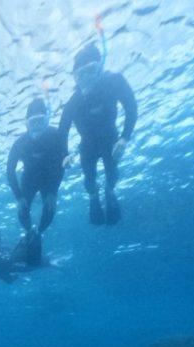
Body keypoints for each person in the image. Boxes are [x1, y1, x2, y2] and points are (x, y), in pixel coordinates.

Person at [58, 43, 137, 225]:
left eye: (91, 70)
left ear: (100, 68)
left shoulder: (114, 82)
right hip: (88, 145)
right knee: (89, 179)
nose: (86, 78)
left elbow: (131, 107)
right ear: (75, 78)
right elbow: (62, 131)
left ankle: (109, 191)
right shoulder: (73, 102)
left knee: (112, 172)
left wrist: (124, 138)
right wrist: (64, 155)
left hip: (111, 140)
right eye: (80, 75)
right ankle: (94, 195)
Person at [6, 97, 65, 267]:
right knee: (23, 209)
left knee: (50, 208)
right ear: (26, 123)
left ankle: (38, 232)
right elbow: (10, 170)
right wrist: (18, 197)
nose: (37, 126)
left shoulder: (56, 135)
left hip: (50, 179)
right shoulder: (20, 143)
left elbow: (62, 164)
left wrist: (53, 192)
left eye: (41, 121)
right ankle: (29, 232)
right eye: (33, 122)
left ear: (47, 120)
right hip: (29, 179)